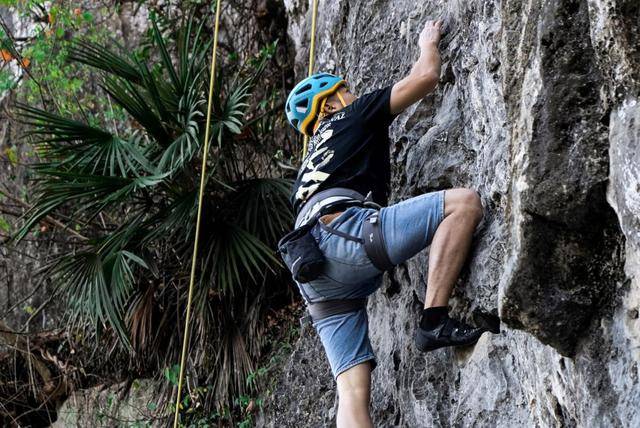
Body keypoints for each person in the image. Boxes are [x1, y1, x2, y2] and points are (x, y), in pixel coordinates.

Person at [284, 19, 487, 427]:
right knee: (463, 205)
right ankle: (433, 320)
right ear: (329, 104)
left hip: (310, 270)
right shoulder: (351, 116)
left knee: (352, 392)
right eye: (343, 88)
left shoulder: (308, 168)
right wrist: (427, 42)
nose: (352, 92)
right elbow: (425, 77)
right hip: (343, 235)